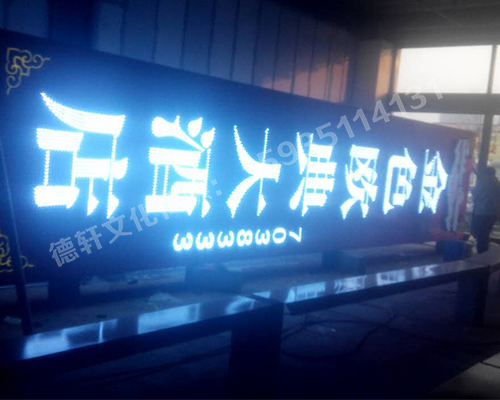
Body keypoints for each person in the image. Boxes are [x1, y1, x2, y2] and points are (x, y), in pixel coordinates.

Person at [471, 166, 500, 253]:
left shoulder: (482, 182)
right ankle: (484, 251)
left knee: (481, 234)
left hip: (481, 212)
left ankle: (481, 252)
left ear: (485, 173)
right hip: (493, 213)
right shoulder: (497, 183)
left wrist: (472, 190)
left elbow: (476, 194)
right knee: (486, 233)